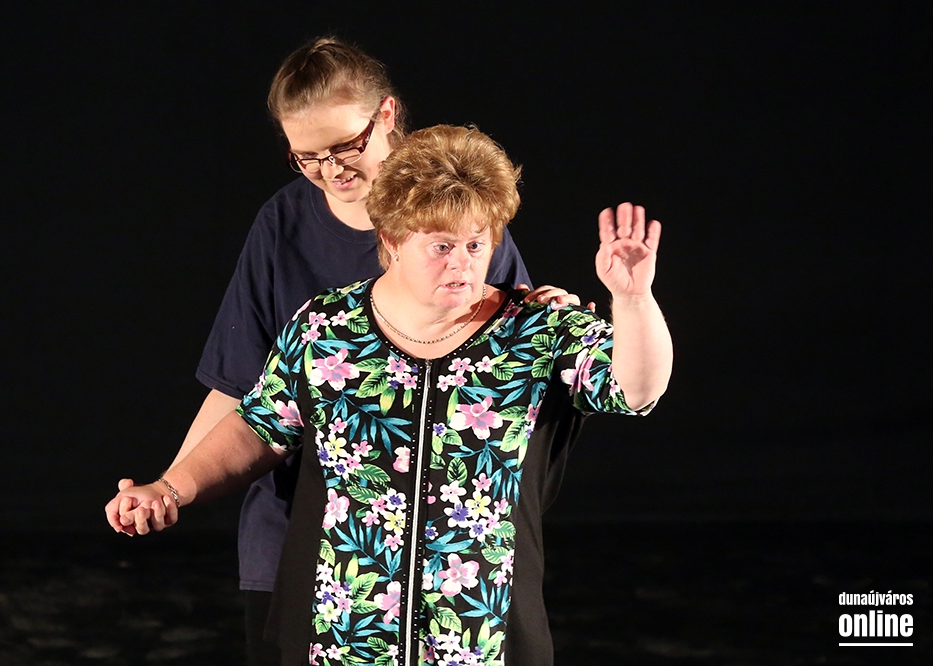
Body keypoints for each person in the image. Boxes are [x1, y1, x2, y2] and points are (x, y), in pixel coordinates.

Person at [106, 124, 672, 665]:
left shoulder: (538, 330)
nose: (463, 263)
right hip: (341, 634)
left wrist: (633, 299)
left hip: (481, 639)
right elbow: (259, 427)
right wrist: (170, 487)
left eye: (477, 244)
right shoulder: (327, 329)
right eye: (441, 246)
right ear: (392, 239)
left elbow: (636, 390)